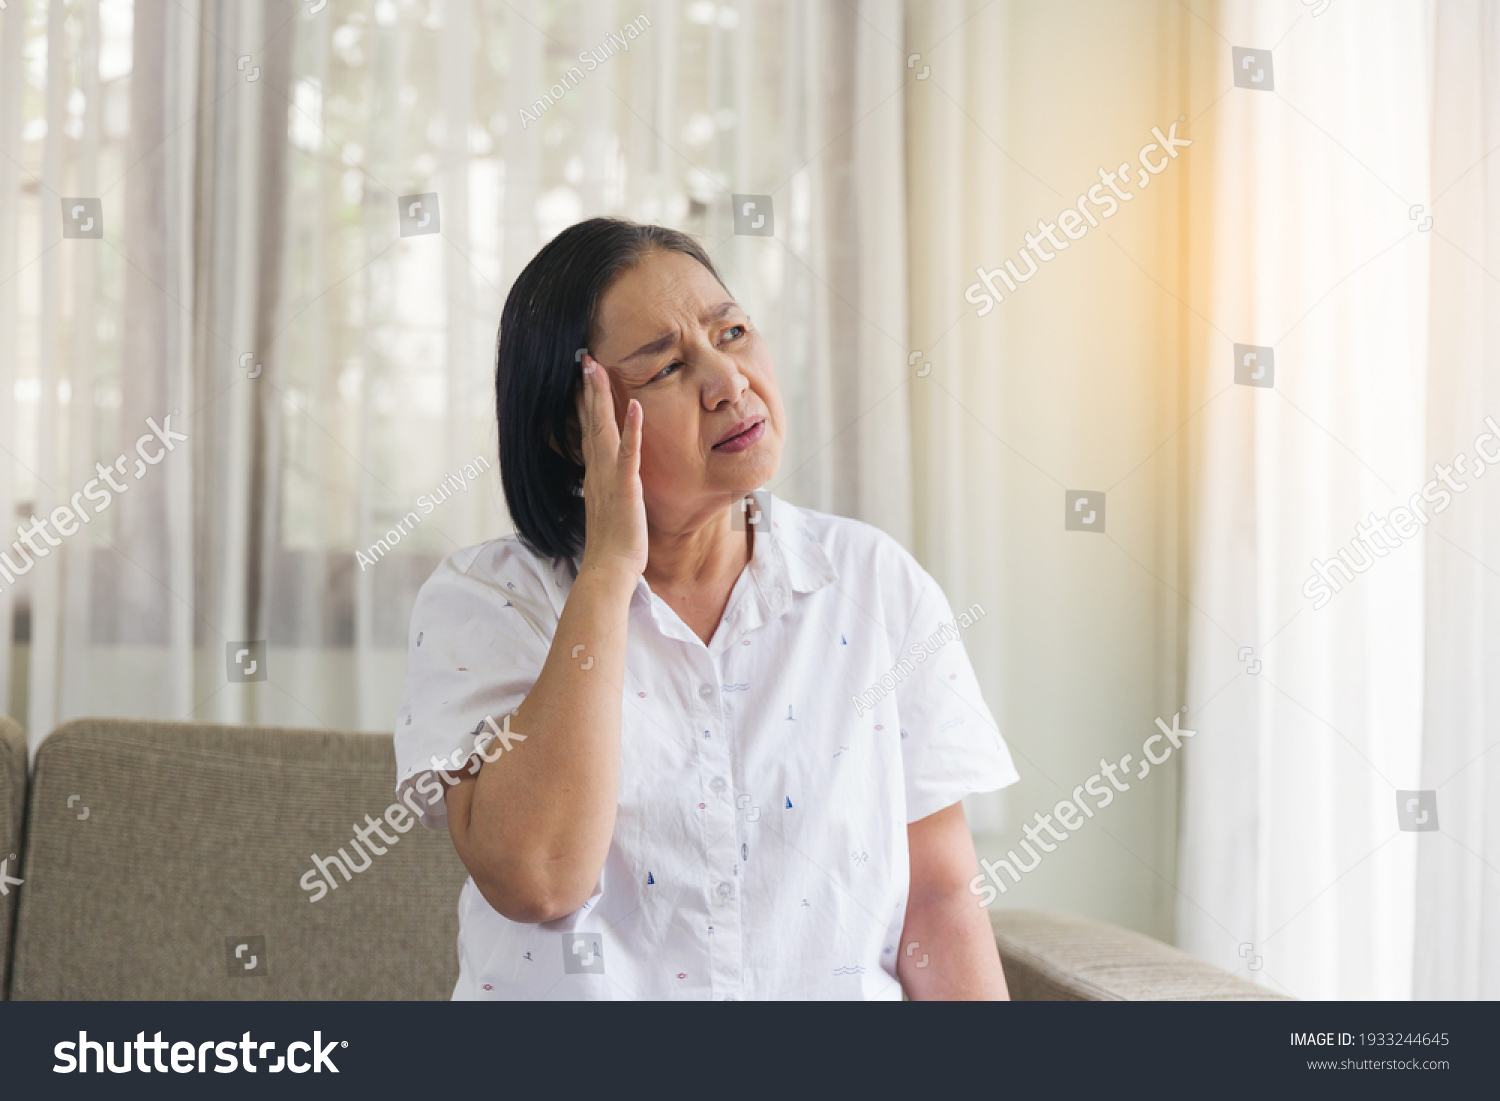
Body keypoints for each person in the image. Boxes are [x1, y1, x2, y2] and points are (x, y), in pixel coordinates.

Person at [392, 216, 1019, 1000]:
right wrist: (610, 570)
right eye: (666, 368)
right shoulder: (489, 603)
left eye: (733, 332)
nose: (730, 382)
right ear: (569, 431)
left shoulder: (872, 583)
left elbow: (940, 900)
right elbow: (538, 877)